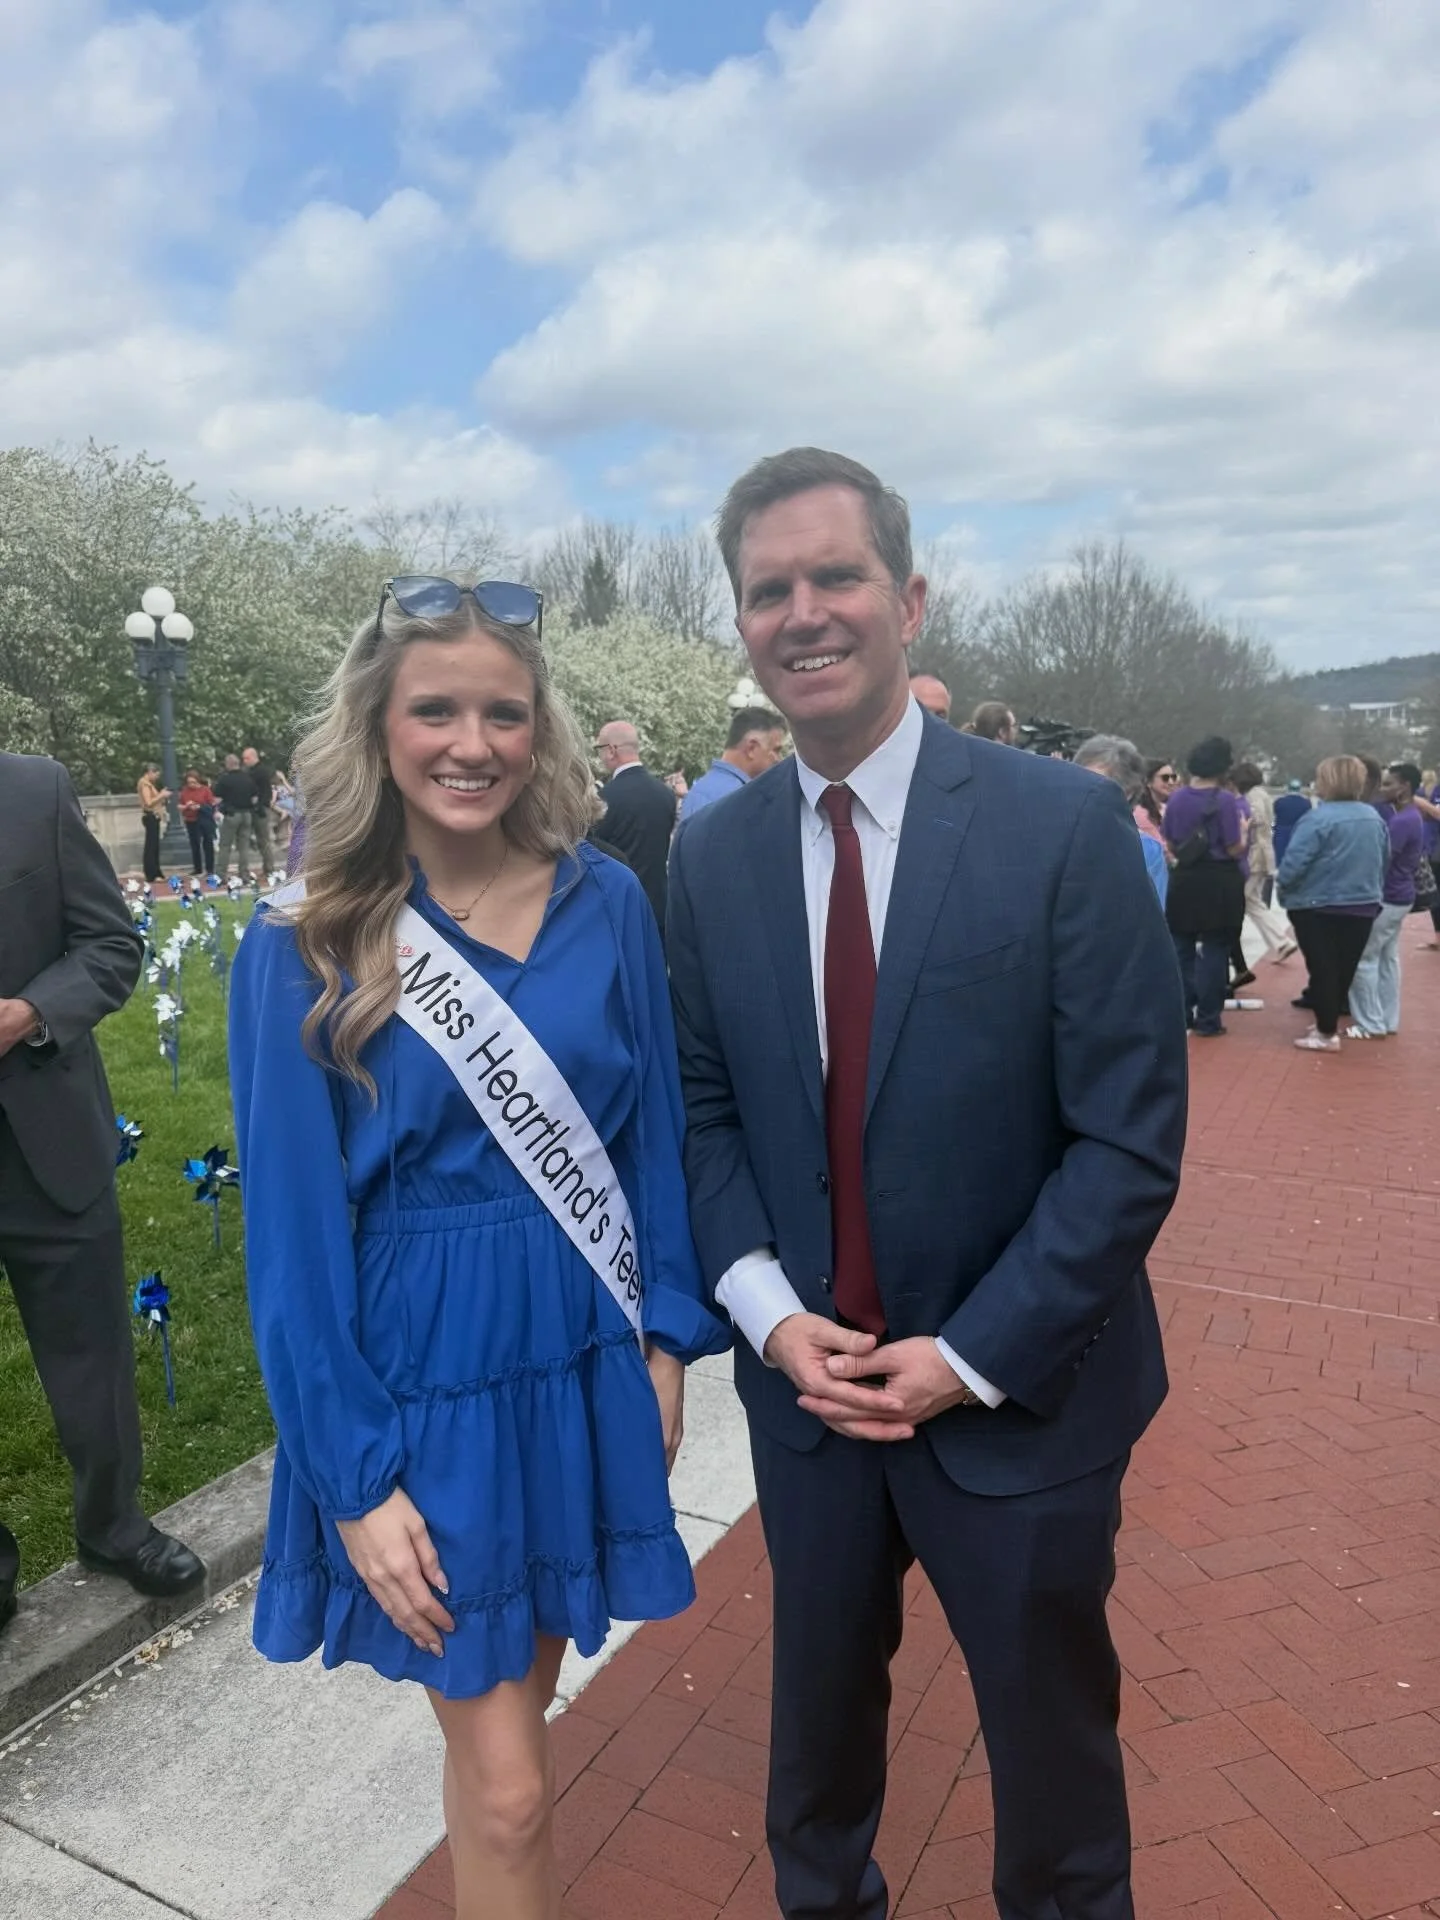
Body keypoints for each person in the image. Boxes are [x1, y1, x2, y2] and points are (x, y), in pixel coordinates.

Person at [668, 447, 1187, 1920]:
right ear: (745, 626)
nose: (805, 612)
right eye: (769, 590)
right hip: (816, 1406)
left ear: (909, 596)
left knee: (1054, 1769)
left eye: (836, 576)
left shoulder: (1061, 829)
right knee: (816, 1769)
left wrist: (964, 1360)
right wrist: (770, 1319)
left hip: (1021, 1402)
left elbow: (1129, 1140)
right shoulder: (712, 861)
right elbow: (704, 1115)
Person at [228, 576, 727, 1920]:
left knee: (511, 1740)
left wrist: (667, 1334)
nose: (472, 742)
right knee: (506, 1776)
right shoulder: (306, 938)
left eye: (503, 712)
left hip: (573, 1356)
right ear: (376, 727)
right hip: (422, 1380)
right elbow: (289, 1235)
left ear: (540, 729)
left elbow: (650, 1142)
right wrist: (349, 1476)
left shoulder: (606, 901)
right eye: (435, 709)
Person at [0, 753, 206, 1635]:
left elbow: (111, 947)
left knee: (90, 1352)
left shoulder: (34, 792)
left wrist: (25, 1013)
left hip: (48, 1137)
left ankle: (113, 1527)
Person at [1275, 756, 1387, 1052]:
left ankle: (1326, 1032)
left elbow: (1295, 862)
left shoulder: (1317, 819)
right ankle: (1327, 1022)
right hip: (1362, 902)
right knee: (1343, 968)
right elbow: (1382, 858)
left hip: (1317, 904)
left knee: (1322, 968)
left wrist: (1284, 886)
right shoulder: (1373, 817)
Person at [1161, 738, 1248, 1038]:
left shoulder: (1176, 798)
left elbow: (1170, 842)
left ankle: (1182, 1011)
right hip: (1219, 878)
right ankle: (1209, 1019)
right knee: (1215, 948)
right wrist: (1246, 833)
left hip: (1186, 877)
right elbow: (1234, 847)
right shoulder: (1224, 800)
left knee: (1180, 946)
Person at [1348, 761, 1425, 1039]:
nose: (1383, 789)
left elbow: (1382, 858)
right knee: (1387, 958)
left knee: (1365, 959)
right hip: (1401, 896)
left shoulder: (1402, 821)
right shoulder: (1411, 816)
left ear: (1404, 787)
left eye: (1389, 784)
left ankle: (1370, 1023)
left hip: (1389, 896)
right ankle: (1387, 1019)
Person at [592, 720, 677, 932]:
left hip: (619, 908)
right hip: (659, 907)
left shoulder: (605, 799)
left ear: (611, 750)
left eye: (599, 749)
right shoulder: (665, 794)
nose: (600, 756)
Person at [1072, 735, 1169, 906]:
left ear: (1128, 791)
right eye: (1076, 779)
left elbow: (1150, 922)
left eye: (1094, 784)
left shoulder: (1146, 851)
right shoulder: (1047, 836)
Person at [1232, 762, 1297, 969]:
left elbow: (1257, 817)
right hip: (1262, 852)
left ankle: (1280, 940)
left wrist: (1244, 821)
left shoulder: (1253, 796)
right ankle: (1279, 941)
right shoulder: (1261, 793)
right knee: (1252, 900)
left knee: (1246, 898)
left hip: (1255, 854)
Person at [678, 706, 786, 823]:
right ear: (751, 748)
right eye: (776, 750)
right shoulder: (742, 800)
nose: (779, 759)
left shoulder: (702, 789)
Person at [213, 753, 256, 883]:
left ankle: (221, 875)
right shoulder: (248, 778)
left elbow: (217, 797)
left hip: (232, 815)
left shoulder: (225, 779)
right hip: (247, 814)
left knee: (225, 845)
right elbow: (254, 797)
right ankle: (244, 874)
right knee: (243, 847)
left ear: (228, 764)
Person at [241, 746, 277, 879]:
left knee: (264, 840)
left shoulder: (260, 771)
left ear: (254, 757)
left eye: (247, 758)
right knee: (260, 840)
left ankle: (269, 867)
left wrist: (260, 806)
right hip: (256, 808)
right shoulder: (252, 771)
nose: (244, 761)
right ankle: (267, 867)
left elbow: (265, 792)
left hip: (261, 809)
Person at [178, 768, 218, 878]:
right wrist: (186, 806)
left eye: (194, 782)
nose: (191, 785)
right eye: (189, 782)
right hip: (190, 819)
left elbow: (212, 804)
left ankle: (210, 868)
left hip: (203, 819)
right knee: (194, 844)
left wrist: (199, 806)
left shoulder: (205, 790)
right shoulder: (185, 791)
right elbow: (180, 805)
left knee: (207, 843)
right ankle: (197, 867)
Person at [135, 762, 169, 882]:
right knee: (151, 846)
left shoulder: (148, 784)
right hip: (150, 816)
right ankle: (151, 873)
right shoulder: (144, 784)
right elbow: (148, 802)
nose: (156, 778)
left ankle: (155, 872)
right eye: (156, 775)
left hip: (153, 816)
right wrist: (161, 795)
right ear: (150, 772)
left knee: (154, 845)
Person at [1271, 777, 1311, 868]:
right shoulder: (1306, 803)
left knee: (1280, 859)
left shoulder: (1279, 802)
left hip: (1281, 833)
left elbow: (1275, 814)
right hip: (1299, 832)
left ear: (1288, 788)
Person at [1136, 758, 1177, 844]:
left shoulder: (1166, 808)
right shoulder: (1140, 813)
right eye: (1165, 777)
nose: (1171, 782)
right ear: (1148, 782)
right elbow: (1160, 846)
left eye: (1173, 777)